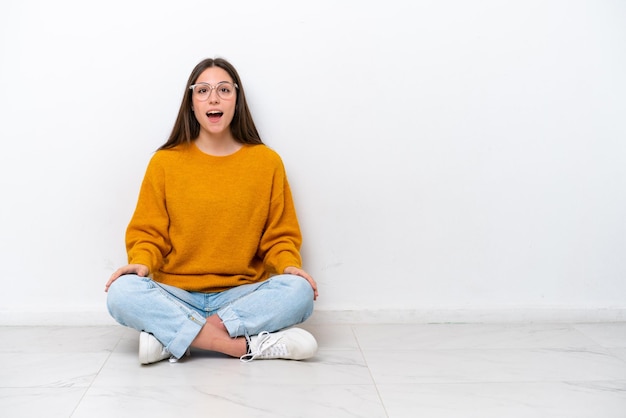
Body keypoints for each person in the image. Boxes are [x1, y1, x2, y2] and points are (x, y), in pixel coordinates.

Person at [105, 57, 318, 365]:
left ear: (237, 100)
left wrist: (287, 265)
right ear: (191, 103)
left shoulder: (266, 162)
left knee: (298, 291)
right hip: (177, 293)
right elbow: (148, 233)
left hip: (240, 295)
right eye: (202, 90)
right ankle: (239, 345)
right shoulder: (165, 162)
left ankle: (173, 337)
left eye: (224, 90)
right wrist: (141, 263)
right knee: (121, 292)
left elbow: (279, 237)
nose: (213, 98)